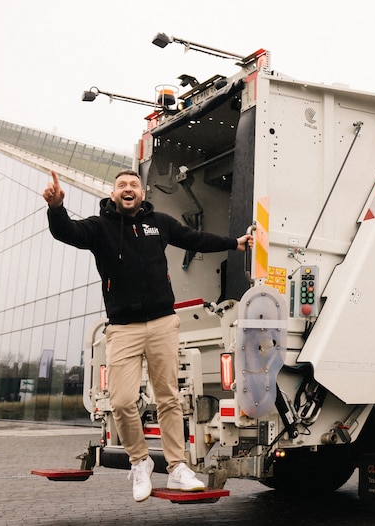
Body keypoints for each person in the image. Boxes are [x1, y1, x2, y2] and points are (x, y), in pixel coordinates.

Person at [43, 168, 250, 502]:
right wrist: (56, 209)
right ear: (113, 195)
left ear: (142, 194)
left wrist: (234, 243)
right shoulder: (100, 228)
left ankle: (178, 468)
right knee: (123, 401)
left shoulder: (160, 223)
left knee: (169, 398)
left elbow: (194, 239)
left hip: (162, 323)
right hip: (123, 328)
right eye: (122, 185)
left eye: (133, 185)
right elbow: (67, 232)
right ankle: (139, 462)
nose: (128, 189)